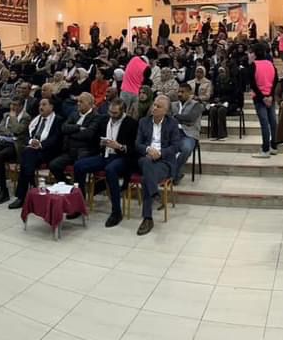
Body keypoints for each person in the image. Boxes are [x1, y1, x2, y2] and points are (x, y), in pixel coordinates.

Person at [73, 98, 138, 226]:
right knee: (79, 166)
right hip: (105, 155)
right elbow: (95, 138)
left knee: (110, 169)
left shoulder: (131, 123)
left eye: (115, 113)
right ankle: (79, 204)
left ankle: (116, 212)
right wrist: (100, 143)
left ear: (122, 111)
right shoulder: (104, 120)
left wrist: (120, 146)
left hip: (122, 158)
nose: (112, 115)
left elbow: (134, 149)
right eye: (110, 112)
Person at [135, 96, 182, 236]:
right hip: (146, 159)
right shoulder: (143, 122)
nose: (154, 108)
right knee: (146, 162)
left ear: (166, 111)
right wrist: (148, 150)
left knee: (146, 179)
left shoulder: (172, 123)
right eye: (154, 105)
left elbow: (176, 146)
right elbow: (137, 144)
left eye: (158, 106)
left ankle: (148, 219)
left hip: (164, 162)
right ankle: (154, 193)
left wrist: (160, 153)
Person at [8, 97, 63, 209]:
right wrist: (31, 141)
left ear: (51, 107)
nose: (40, 107)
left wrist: (40, 144)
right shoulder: (36, 119)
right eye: (39, 105)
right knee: (28, 156)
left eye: (44, 104)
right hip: (33, 151)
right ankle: (30, 185)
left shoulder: (58, 120)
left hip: (48, 151)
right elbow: (26, 135)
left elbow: (56, 139)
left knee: (26, 158)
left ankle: (23, 195)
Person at [48, 92, 104, 186]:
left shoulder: (96, 117)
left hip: (85, 151)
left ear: (89, 104)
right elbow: (64, 128)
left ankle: (80, 191)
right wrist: (78, 127)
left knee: (79, 167)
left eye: (81, 102)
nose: (78, 104)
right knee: (53, 165)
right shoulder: (74, 114)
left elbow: (88, 134)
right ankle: (67, 185)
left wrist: (70, 133)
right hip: (70, 150)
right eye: (78, 101)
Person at [250, 44, 279, 158]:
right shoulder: (271, 64)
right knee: (273, 122)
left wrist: (263, 97)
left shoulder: (253, 65)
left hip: (259, 98)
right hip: (270, 97)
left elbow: (253, 84)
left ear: (255, 53)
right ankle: (274, 147)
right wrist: (270, 96)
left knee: (264, 124)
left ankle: (265, 149)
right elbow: (276, 81)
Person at [171, 86, 203, 184]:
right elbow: (168, 117)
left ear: (189, 93)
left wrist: (175, 116)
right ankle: (174, 175)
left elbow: (191, 119)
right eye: (179, 92)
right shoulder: (173, 104)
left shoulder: (197, 105)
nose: (180, 94)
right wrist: (181, 119)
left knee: (186, 149)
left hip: (189, 134)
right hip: (174, 133)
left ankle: (173, 174)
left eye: (183, 92)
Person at [207, 65, 239, 141]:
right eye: (219, 72)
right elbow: (213, 95)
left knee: (221, 110)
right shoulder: (216, 82)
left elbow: (234, 95)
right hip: (218, 103)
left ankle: (222, 134)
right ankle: (214, 134)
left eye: (222, 72)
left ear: (226, 72)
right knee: (213, 110)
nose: (221, 74)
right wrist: (215, 100)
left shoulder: (232, 82)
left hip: (230, 103)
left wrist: (222, 100)